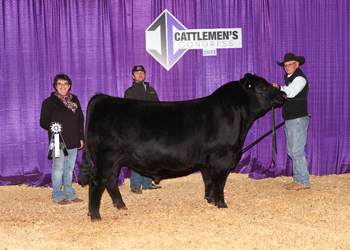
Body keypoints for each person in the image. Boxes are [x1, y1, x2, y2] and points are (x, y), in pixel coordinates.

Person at [40, 74, 85, 204]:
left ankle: (69, 193)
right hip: (58, 140)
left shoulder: (74, 100)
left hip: (73, 139)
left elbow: (80, 120)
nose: (63, 86)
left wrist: (81, 137)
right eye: (59, 84)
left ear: (69, 85)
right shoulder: (48, 102)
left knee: (70, 168)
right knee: (58, 168)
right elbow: (43, 121)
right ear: (55, 86)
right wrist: (54, 127)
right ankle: (58, 195)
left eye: (65, 83)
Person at [272, 53, 310, 190]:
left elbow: (292, 92)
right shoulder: (290, 78)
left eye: (290, 64)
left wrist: (279, 88)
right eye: (285, 65)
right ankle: (298, 179)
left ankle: (303, 182)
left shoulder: (299, 78)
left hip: (297, 119)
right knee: (293, 151)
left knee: (297, 151)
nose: (287, 67)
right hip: (291, 119)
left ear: (297, 64)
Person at [124, 65, 161, 194]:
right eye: (137, 73)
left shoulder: (151, 91)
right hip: (137, 129)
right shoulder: (130, 92)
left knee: (150, 155)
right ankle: (135, 184)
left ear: (145, 75)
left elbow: (158, 107)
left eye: (142, 72)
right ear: (133, 76)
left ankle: (147, 183)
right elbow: (130, 111)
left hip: (151, 128)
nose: (140, 75)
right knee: (137, 156)